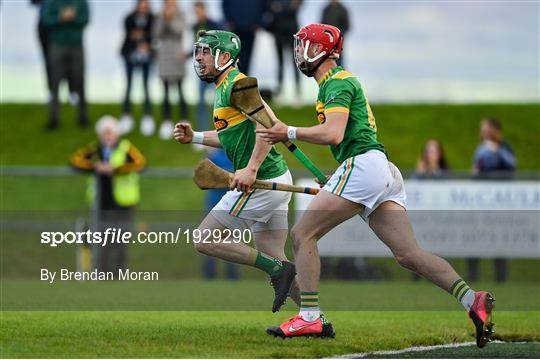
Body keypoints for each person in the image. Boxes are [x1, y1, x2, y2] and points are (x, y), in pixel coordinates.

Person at [258, 24, 495, 348]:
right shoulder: (334, 84)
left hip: (365, 167)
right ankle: (472, 300)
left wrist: (289, 132)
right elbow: (348, 137)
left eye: (304, 45)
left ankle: (310, 318)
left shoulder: (336, 82)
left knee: (302, 235)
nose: (299, 51)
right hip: (379, 170)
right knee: (408, 254)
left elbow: (334, 134)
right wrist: (339, 177)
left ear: (320, 50)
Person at [174, 30, 299, 312]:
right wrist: (194, 137)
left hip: (261, 183)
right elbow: (229, 135)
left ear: (225, 57)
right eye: (198, 51)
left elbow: (267, 127)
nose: (199, 57)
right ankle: (314, 316)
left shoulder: (237, 85)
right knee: (276, 255)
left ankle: (277, 271)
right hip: (274, 179)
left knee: (204, 239)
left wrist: (251, 169)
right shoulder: (224, 87)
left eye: (206, 52)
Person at [70, 116, 146, 275]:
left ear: (117, 134)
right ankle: (101, 274)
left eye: (110, 133)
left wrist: (114, 169)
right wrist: (95, 166)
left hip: (123, 204)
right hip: (101, 203)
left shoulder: (126, 148)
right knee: (101, 241)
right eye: (104, 133)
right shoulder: (94, 150)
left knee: (121, 241)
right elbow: (75, 161)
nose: (108, 136)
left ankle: (119, 274)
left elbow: (140, 163)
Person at [468, 117, 516, 283]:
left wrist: (496, 150)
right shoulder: (481, 149)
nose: (481, 130)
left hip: (499, 203)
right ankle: (472, 278)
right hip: (481, 202)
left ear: (493, 129)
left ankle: (501, 278)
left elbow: (512, 164)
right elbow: (476, 168)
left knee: (499, 239)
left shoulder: (504, 147)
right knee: (475, 237)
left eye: (484, 127)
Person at [41, 0, 89, 130]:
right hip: (57, 45)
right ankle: (53, 119)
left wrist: (73, 17)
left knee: (79, 79)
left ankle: (83, 117)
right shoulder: (51, 2)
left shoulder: (81, 2)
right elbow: (46, 20)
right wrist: (61, 18)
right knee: (54, 81)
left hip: (76, 45)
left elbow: (85, 19)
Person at [202, 148, 240, 280]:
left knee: (229, 241)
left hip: (230, 205)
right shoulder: (215, 155)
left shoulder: (234, 154)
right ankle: (210, 275)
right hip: (216, 204)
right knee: (209, 239)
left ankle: (231, 276)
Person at [153, 0, 189, 140]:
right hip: (165, 56)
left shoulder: (181, 15)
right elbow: (156, 33)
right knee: (166, 90)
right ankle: (167, 121)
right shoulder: (159, 16)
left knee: (180, 89)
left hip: (177, 55)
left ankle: (184, 119)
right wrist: (164, 18)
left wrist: (171, 18)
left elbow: (179, 30)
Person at [119, 0, 155, 136]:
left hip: (146, 56)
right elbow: (130, 35)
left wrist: (146, 43)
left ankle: (147, 116)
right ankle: (126, 115)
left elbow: (152, 36)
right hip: (130, 54)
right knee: (129, 85)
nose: (143, 8)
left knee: (146, 86)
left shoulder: (152, 18)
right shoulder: (129, 18)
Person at [192, 1, 221, 133]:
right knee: (201, 102)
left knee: (221, 101)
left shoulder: (215, 25)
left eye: (199, 11)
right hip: (203, 69)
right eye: (196, 12)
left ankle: (222, 131)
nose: (198, 14)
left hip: (216, 69)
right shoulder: (195, 26)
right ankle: (202, 132)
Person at [266, 0, 302, 97]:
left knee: (296, 62)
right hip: (278, 32)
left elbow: (295, 7)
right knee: (280, 63)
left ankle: (298, 92)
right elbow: (268, 6)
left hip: (292, 32)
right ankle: (280, 91)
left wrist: (281, 8)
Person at [222, 0, 265, 75]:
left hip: (251, 27)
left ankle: (244, 79)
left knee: (247, 57)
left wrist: (258, 22)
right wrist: (229, 20)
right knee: (235, 56)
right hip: (236, 27)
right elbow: (225, 4)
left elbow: (262, 5)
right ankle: (235, 79)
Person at [321, 0, 349, 67]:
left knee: (339, 58)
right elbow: (321, 24)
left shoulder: (343, 9)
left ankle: (340, 74)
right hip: (327, 39)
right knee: (327, 58)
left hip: (338, 39)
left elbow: (347, 26)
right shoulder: (326, 9)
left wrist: (339, 35)